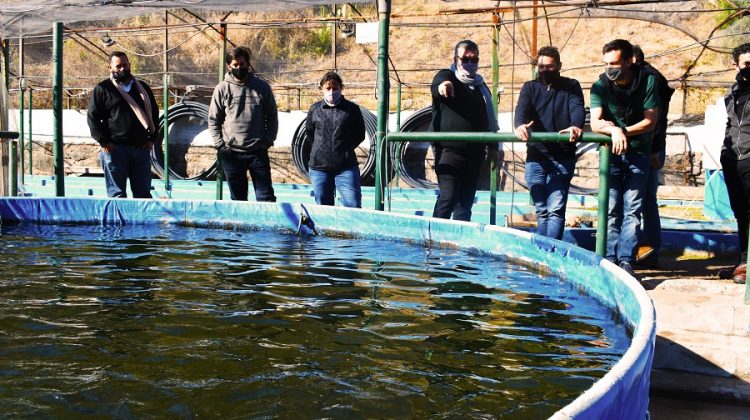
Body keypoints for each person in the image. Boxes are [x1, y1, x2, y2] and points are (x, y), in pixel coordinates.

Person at [590, 39, 659, 278]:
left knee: (633, 209)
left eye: (615, 63)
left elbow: (651, 120)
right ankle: (608, 257)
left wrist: (625, 131)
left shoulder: (648, 81)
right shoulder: (600, 85)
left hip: (638, 152)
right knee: (610, 208)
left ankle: (626, 259)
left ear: (629, 61)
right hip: (611, 154)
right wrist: (614, 131)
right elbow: (595, 122)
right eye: (607, 63)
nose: (610, 68)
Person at [514, 46, 585, 240]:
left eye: (550, 66)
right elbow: (521, 109)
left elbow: (577, 108)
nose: (545, 70)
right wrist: (519, 125)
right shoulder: (530, 87)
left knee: (556, 208)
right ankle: (544, 249)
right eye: (541, 66)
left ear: (559, 66)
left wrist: (575, 125)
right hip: (536, 156)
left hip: (563, 156)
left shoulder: (571, 86)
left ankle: (550, 251)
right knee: (541, 209)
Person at [431, 39, 500, 222]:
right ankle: (434, 236)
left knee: (465, 204)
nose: (470, 63)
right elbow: (437, 85)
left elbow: (488, 119)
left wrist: (493, 147)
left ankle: (457, 244)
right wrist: (442, 87)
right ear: (456, 60)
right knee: (448, 196)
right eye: (465, 59)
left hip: (475, 154)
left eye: (474, 59)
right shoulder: (448, 76)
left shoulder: (481, 86)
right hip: (449, 152)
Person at [209, 46, 278, 202]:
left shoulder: (262, 88)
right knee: (238, 200)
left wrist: (266, 142)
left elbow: (272, 117)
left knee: (266, 197)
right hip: (231, 153)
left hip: (257, 152)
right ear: (229, 66)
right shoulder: (222, 89)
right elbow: (213, 120)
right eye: (235, 65)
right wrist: (221, 145)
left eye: (242, 64)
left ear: (248, 64)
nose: (239, 68)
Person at [87, 51, 159, 198]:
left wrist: (152, 139)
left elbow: (154, 114)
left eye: (125, 65)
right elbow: (92, 118)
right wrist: (104, 142)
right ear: (110, 67)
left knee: (143, 195)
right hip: (115, 150)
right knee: (117, 195)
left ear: (129, 66)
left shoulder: (142, 88)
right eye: (118, 66)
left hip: (140, 149)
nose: (122, 69)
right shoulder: (103, 89)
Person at [632, 45, 675, 267]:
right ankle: (644, 248)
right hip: (649, 146)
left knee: (645, 200)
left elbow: (655, 119)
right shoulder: (650, 76)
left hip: (650, 147)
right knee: (642, 200)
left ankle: (648, 250)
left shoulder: (649, 79)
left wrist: (654, 149)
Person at [305, 72, 366, 207]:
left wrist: (344, 149)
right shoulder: (315, 109)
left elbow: (360, 134)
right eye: (328, 88)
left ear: (341, 88)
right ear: (322, 89)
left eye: (335, 88)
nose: (331, 92)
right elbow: (310, 133)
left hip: (346, 167)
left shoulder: (352, 109)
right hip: (319, 167)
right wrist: (320, 148)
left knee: (353, 205)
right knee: (323, 207)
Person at [718, 43, 750, 284]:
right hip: (732, 158)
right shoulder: (733, 91)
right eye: (747, 63)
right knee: (740, 213)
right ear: (736, 65)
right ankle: (743, 260)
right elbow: (732, 124)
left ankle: (746, 264)